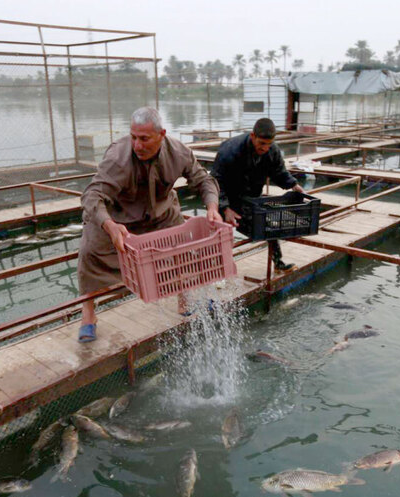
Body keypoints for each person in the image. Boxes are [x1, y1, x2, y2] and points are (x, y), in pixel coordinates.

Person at [77, 107, 223, 343]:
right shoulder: (117, 157)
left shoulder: (179, 152)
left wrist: (212, 208)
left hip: (161, 213)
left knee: (181, 248)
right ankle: (88, 314)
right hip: (118, 217)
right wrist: (109, 225)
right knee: (90, 252)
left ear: (161, 134)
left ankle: (184, 297)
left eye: (144, 139)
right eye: (133, 137)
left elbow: (204, 180)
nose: (137, 145)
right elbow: (92, 195)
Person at [211, 118, 304, 272]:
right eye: (262, 143)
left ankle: (278, 263)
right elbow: (215, 181)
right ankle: (214, 268)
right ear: (253, 136)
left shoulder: (272, 150)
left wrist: (293, 184)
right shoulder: (230, 150)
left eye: (269, 144)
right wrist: (225, 208)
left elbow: (279, 172)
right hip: (227, 197)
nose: (265, 148)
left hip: (251, 199)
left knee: (268, 225)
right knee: (220, 234)